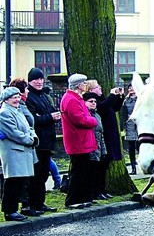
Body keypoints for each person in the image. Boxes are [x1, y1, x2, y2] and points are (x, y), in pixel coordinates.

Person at [60, 73, 98, 209]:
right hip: (78, 141)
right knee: (78, 172)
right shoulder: (71, 99)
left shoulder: (75, 98)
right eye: (84, 83)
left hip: (82, 141)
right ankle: (72, 200)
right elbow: (80, 119)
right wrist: (93, 121)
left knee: (84, 171)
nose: (86, 85)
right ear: (78, 85)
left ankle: (82, 197)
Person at [0, 87, 38, 221]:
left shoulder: (17, 110)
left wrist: (33, 137)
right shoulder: (4, 113)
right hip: (13, 152)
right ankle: (10, 211)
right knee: (12, 182)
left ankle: (14, 209)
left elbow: (29, 127)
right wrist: (29, 140)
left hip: (22, 151)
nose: (17, 100)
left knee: (19, 182)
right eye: (13, 97)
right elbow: (13, 132)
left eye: (18, 97)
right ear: (6, 100)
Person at [25, 68, 60, 209]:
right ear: (30, 81)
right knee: (37, 174)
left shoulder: (44, 96)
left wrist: (49, 116)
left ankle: (40, 202)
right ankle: (33, 203)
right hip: (38, 142)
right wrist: (50, 118)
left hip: (48, 141)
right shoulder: (30, 98)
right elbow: (33, 119)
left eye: (41, 79)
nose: (39, 82)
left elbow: (51, 111)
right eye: (36, 79)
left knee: (44, 174)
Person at [85, 79, 124, 198]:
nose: (100, 88)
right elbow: (103, 107)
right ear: (91, 90)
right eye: (97, 87)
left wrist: (119, 97)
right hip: (103, 136)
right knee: (100, 165)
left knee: (105, 165)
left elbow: (113, 108)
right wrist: (112, 95)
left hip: (110, 134)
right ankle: (97, 191)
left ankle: (102, 189)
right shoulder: (93, 101)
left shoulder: (102, 99)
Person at [83, 92, 106, 203]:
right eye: (90, 101)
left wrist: (103, 150)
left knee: (95, 173)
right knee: (87, 174)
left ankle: (93, 195)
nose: (93, 103)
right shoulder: (85, 115)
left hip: (97, 149)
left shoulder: (97, 116)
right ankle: (87, 196)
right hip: (88, 149)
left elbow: (101, 134)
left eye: (95, 101)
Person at [121, 83, 138, 175]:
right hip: (130, 125)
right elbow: (123, 114)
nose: (131, 89)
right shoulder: (126, 101)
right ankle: (133, 168)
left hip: (140, 125)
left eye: (133, 87)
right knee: (131, 148)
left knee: (140, 146)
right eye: (129, 87)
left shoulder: (140, 98)